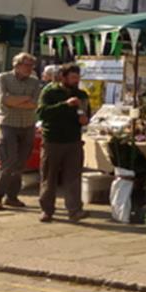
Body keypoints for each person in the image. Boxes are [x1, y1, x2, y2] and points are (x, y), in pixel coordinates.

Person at [35, 63, 90, 223]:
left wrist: (84, 119)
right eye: (72, 77)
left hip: (73, 140)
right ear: (63, 77)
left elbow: (87, 115)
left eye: (78, 78)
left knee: (73, 177)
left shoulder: (81, 94)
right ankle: (47, 210)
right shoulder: (50, 91)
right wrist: (64, 105)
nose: (76, 81)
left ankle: (74, 210)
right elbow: (42, 113)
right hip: (53, 140)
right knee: (49, 177)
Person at [0, 52, 42, 211]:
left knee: (20, 164)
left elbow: (34, 104)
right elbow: (4, 100)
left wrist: (15, 101)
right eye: (27, 65)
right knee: (8, 162)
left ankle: (12, 197)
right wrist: (23, 99)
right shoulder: (3, 78)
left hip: (28, 126)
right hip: (9, 125)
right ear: (17, 65)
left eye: (32, 65)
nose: (30, 68)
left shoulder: (34, 81)